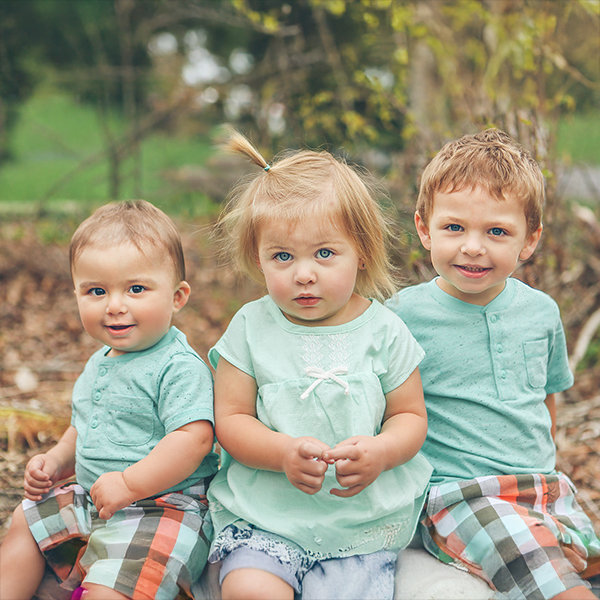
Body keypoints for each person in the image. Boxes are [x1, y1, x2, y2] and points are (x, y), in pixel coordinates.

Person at [206, 131, 432, 600]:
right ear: (258, 258)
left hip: (360, 523)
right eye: (282, 256)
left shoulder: (384, 330)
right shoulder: (250, 327)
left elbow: (410, 416)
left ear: (362, 251)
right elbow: (230, 420)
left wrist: (382, 453)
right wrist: (281, 453)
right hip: (268, 517)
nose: (303, 273)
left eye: (324, 253)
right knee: (249, 590)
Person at [386, 128, 600, 600]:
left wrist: (548, 470)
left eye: (497, 232)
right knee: (557, 585)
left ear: (530, 240)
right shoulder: (401, 317)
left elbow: (546, 400)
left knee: (585, 563)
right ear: (424, 229)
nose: (473, 246)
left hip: (541, 488)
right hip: (456, 496)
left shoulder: (542, 312)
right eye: (454, 227)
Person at [0, 200, 219, 600]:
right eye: (96, 291)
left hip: (165, 506)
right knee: (26, 519)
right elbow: (82, 427)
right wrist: (55, 461)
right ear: (77, 294)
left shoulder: (177, 366)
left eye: (136, 289)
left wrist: (130, 483)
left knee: (115, 584)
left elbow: (194, 439)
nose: (114, 305)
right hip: (97, 498)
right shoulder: (98, 362)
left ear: (177, 297)